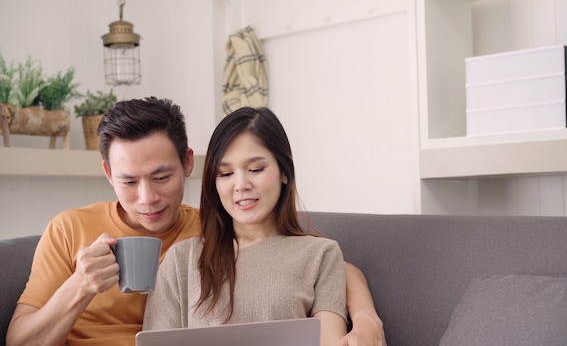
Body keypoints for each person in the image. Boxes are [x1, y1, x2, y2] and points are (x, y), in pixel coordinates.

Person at [6, 97, 386, 346]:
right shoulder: (69, 229)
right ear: (108, 173)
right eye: (128, 181)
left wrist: (366, 317)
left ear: (189, 163)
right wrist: (80, 285)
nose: (147, 198)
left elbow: (310, 261)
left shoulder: (212, 227)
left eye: (161, 177)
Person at [143, 107, 346, 345]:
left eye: (255, 169)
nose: (241, 185)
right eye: (226, 173)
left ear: (284, 171)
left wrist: (366, 317)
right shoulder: (181, 261)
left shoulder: (322, 254)